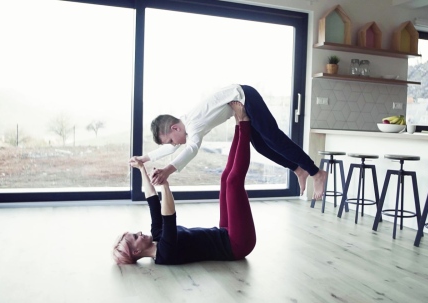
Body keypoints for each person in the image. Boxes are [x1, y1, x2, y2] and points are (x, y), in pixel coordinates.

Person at [129, 84, 327, 200]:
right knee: (261, 146)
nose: (174, 144)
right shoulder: (186, 124)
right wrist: (145, 158)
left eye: (172, 140)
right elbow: (174, 149)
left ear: (175, 128)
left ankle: (316, 173)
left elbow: (192, 150)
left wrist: (168, 170)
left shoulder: (194, 124)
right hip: (242, 101)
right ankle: (298, 169)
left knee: (273, 138)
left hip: (245, 96)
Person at [113, 110, 256, 265]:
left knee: (224, 179)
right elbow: (169, 216)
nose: (139, 233)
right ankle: (244, 123)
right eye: (135, 237)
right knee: (233, 182)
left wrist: (141, 168)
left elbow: (152, 200)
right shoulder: (165, 253)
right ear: (136, 252)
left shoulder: (157, 235)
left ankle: (238, 125)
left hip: (224, 232)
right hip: (236, 245)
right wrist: (165, 184)